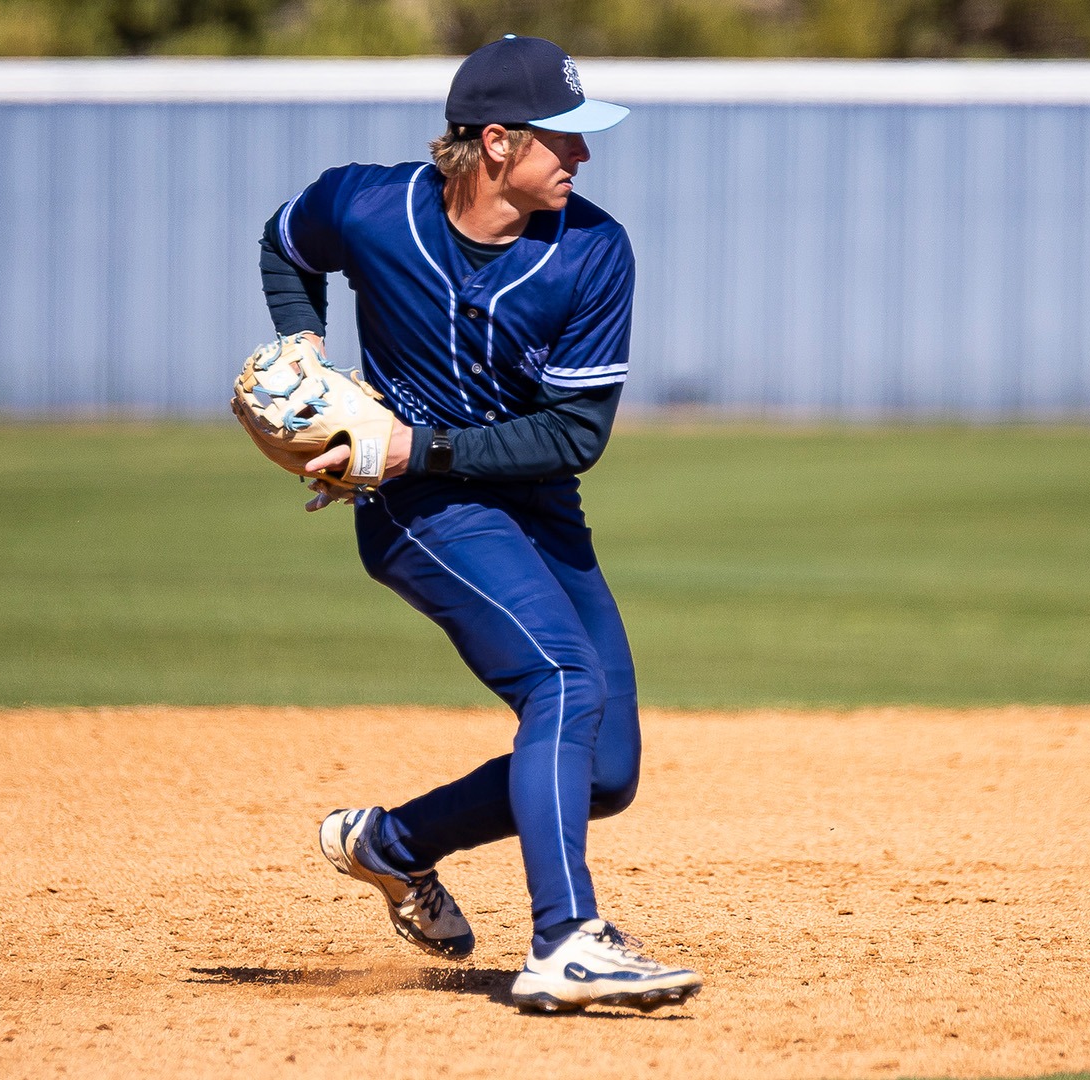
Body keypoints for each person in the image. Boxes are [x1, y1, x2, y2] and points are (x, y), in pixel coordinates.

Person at [257, 35, 701, 1015]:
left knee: (608, 770)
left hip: (533, 504)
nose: (581, 158)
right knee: (560, 678)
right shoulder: (373, 207)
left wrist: (424, 446)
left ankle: (395, 845)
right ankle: (566, 942)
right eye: (563, 140)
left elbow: (576, 434)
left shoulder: (591, 251)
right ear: (496, 142)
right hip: (423, 516)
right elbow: (287, 240)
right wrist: (303, 348)